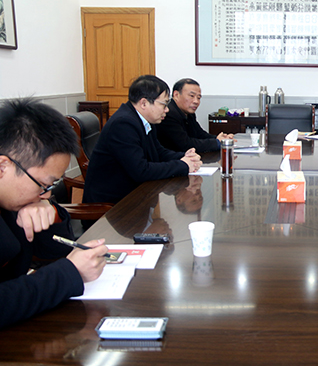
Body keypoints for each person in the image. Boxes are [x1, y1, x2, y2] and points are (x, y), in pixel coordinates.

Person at [0, 98, 107, 329]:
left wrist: (48, 210)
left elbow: (52, 252)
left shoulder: (15, 199)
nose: (47, 194)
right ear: (3, 167)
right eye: (43, 184)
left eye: (50, 187)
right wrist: (69, 274)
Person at [83, 75, 202, 206]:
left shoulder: (144, 120)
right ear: (144, 103)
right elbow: (141, 171)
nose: (167, 110)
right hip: (112, 205)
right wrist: (183, 165)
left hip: (134, 194)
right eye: (164, 104)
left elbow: (159, 152)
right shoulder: (123, 124)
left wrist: (185, 157)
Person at [157, 78, 235, 153]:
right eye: (191, 96)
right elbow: (185, 144)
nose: (196, 101)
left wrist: (220, 139)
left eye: (198, 98)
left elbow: (199, 134)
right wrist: (217, 142)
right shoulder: (168, 114)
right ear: (176, 95)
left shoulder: (188, 113)